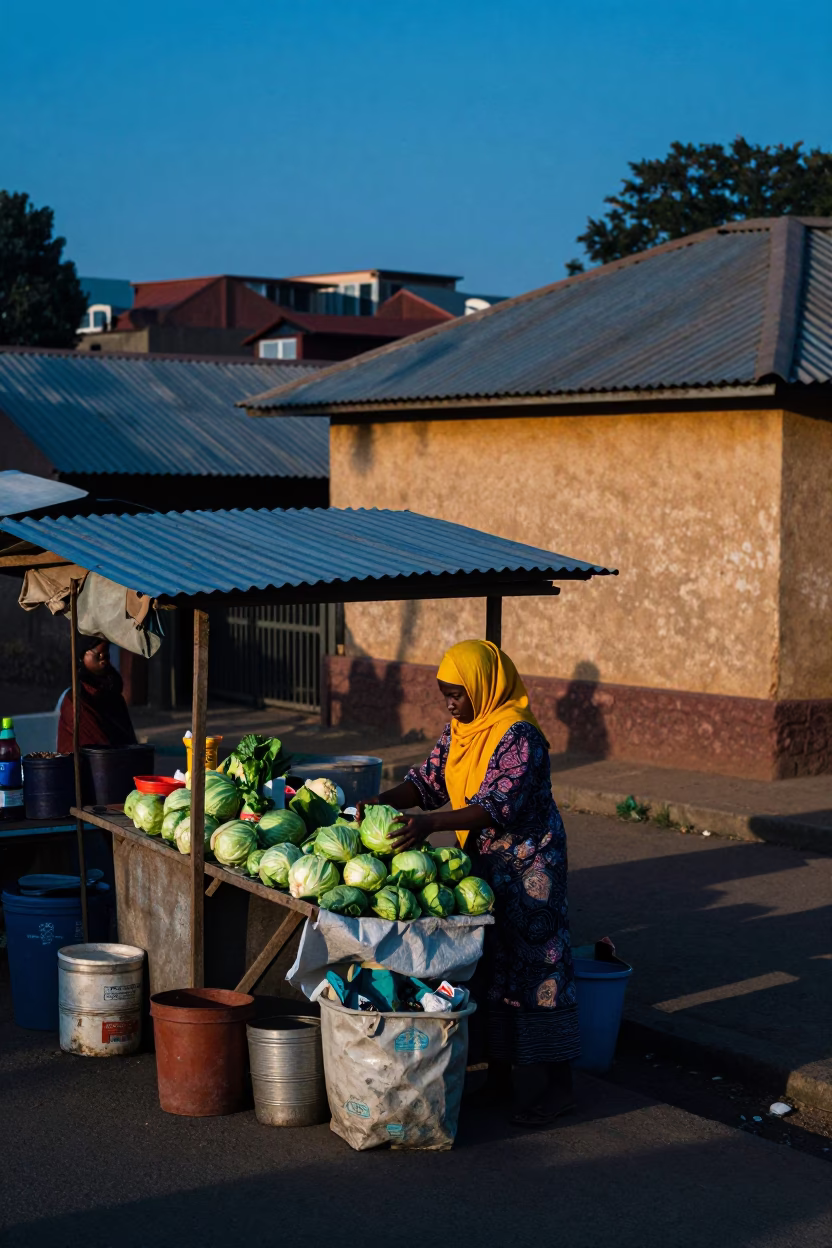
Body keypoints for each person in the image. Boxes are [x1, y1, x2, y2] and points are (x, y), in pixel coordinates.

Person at [358, 639, 580, 1128]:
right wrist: (381, 801)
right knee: (491, 966)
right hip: (481, 862)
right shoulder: (463, 729)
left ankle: (560, 1085)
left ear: (484, 685)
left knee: (538, 967)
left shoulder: (518, 735)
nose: (450, 703)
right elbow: (428, 780)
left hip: (529, 868)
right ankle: (501, 1077)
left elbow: (497, 805)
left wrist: (428, 824)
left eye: (456, 694)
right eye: (445, 695)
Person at [57, 638, 137, 752]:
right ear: (82, 656)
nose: (103, 656)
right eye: (97, 653)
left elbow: (129, 739)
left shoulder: (114, 695)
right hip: (89, 767)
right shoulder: (76, 699)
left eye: (106, 653)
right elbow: (100, 748)